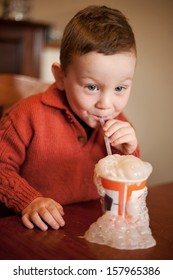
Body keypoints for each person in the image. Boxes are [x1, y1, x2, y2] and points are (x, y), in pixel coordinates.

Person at [0, 5, 140, 231]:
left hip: (89, 228)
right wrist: (29, 200)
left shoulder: (120, 122)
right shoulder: (25, 116)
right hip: (31, 231)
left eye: (120, 88)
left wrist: (129, 153)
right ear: (61, 77)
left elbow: (126, 188)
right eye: (92, 87)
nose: (105, 104)